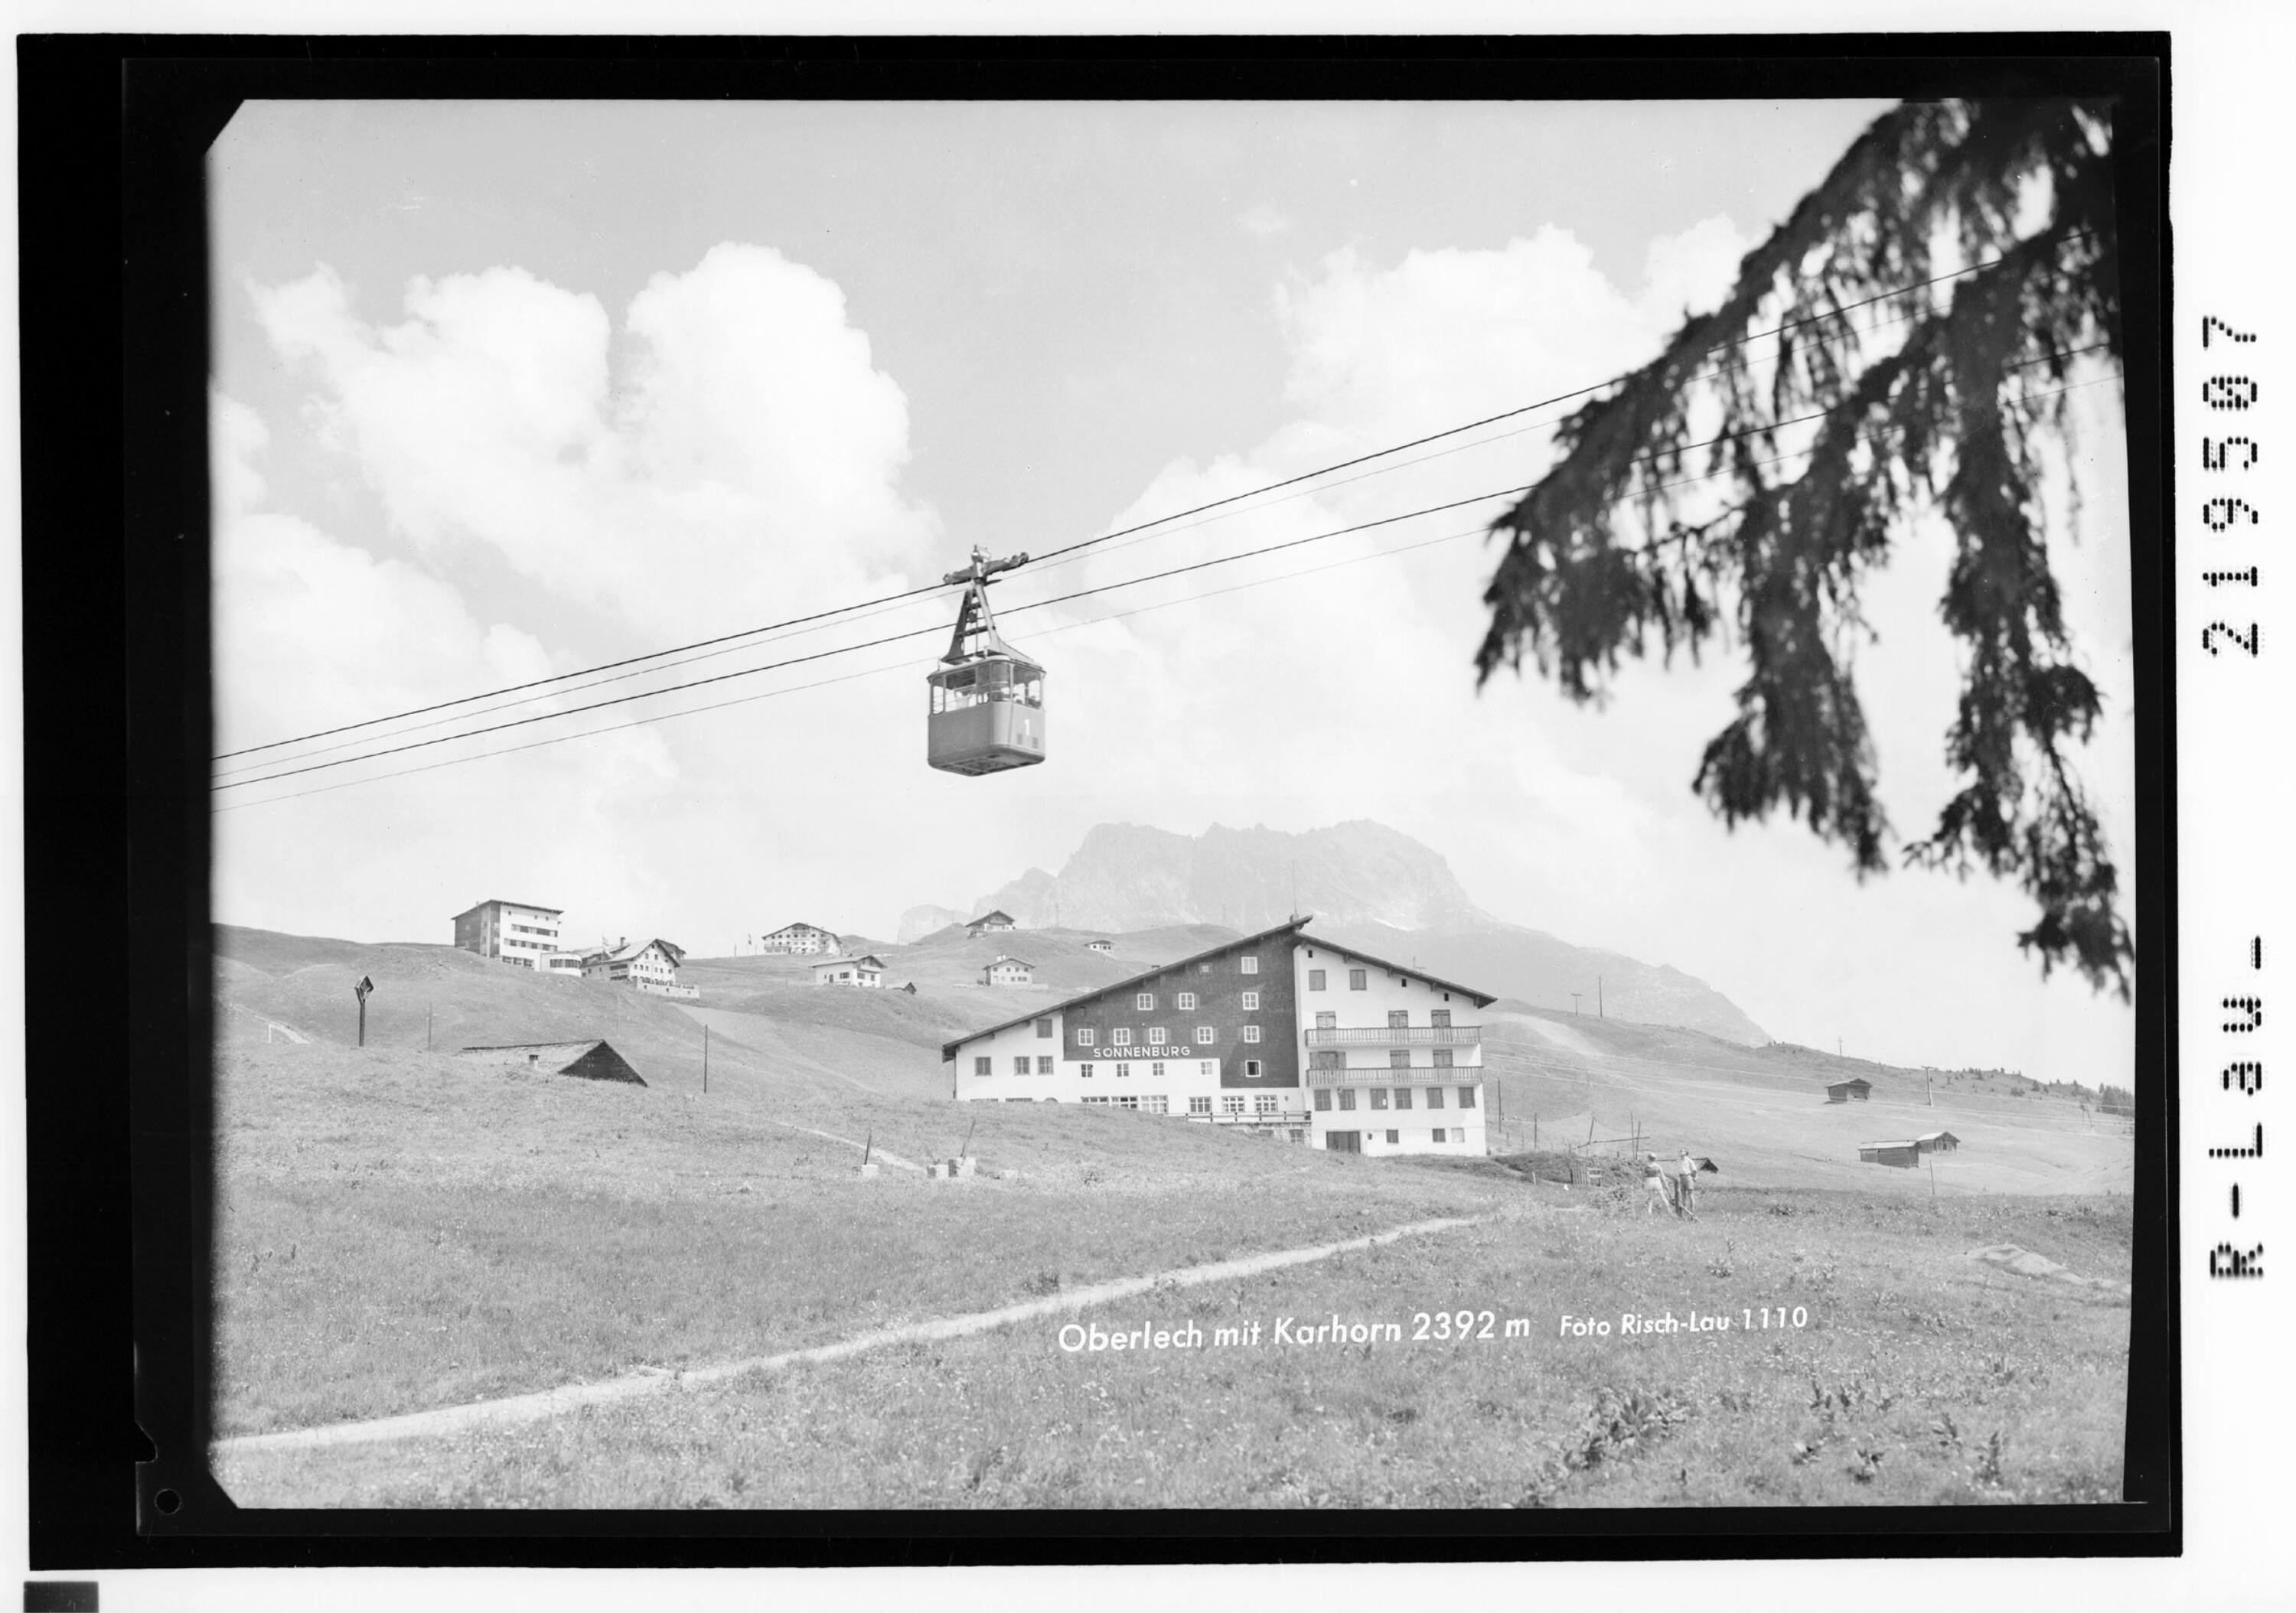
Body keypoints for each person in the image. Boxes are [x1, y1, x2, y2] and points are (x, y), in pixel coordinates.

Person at [1675, 1149, 1699, 1218]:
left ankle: (1692, 1212)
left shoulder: (1689, 1160)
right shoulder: (1679, 1161)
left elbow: (1694, 1170)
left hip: (1688, 1177)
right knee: (1683, 1195)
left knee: (1690, 1194)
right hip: (1681, 1177)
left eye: (1682, 1151)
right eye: (1680, 1151)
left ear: (1686, 1153)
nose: (1681, 1152)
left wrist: (1693, 1177)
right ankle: (1684, 1211)